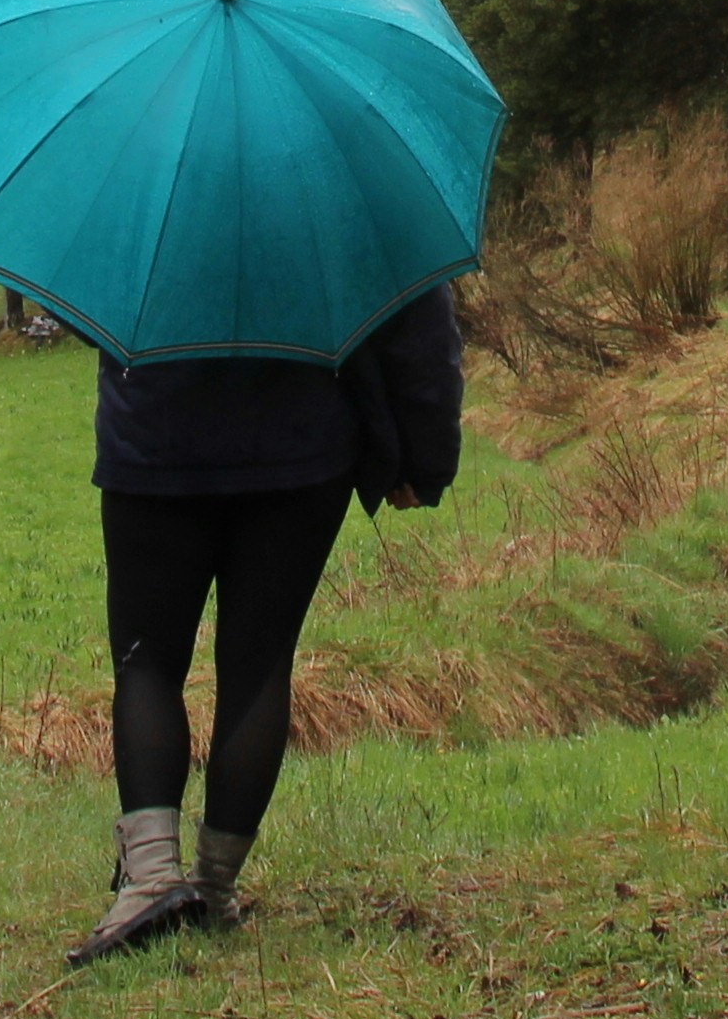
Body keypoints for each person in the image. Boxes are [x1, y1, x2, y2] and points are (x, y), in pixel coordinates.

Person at [71, 279, 462, 962]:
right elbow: (416, 309)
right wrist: (424, 454)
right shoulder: (339, 174)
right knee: (259, 662)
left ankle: (152, 878)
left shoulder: (133, 173)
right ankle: (215, 888)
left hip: (155, 433)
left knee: (148, 660)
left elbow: (70, 287)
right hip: (299, 440)